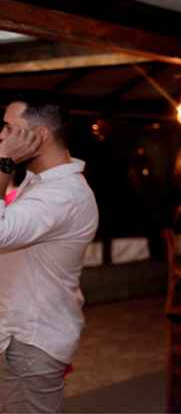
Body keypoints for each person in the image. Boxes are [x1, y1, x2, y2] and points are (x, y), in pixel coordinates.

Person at [0, 97, 99, 413]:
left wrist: (4, 160)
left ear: (39, 135)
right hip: (23, 334)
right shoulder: (41, 184)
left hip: (30, 339)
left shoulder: (63, 195)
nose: (2, 137)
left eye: (9, 129)